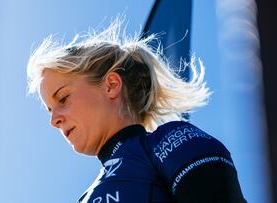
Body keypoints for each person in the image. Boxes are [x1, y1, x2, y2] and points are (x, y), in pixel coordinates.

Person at [27, 19, 247, 202]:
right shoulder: (84, 197)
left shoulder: (170, 141)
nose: (54, 120)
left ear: (111, 85)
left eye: (63, 98)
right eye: (49, 110)